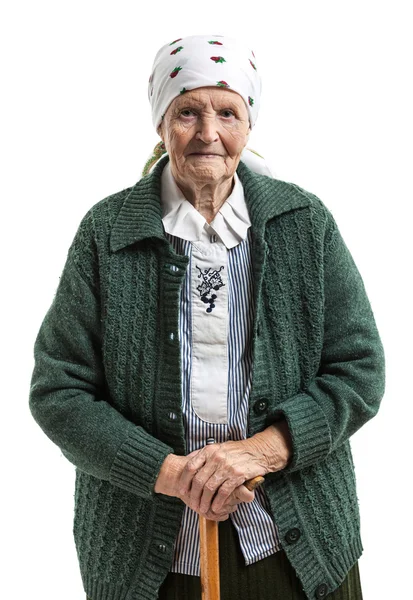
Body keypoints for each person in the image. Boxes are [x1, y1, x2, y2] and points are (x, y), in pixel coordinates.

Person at [29, 34, 385, 600]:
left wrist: (259, 452)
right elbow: (58, 391)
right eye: (187, 112)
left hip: (297, 548)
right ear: (161, 124)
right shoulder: (107, 232)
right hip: (151, 561)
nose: (209, 133)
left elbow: (359, 370)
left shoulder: (304, 222)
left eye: (227, 113)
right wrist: (172, 475)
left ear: (249, 124)